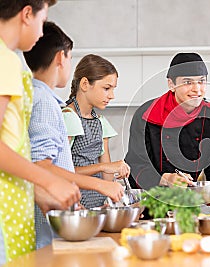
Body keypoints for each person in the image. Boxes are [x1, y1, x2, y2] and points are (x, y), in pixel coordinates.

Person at [23, 21, 125, 248]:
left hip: (58, 212)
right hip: (50, 224)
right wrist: (100, 185)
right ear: (61, 58)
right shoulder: (47, 104)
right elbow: (41, 166)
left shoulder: (36, 96)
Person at [0, 0, 81, 263]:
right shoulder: (5, 60)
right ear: (26, 14)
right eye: (41, 19)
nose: (40, 32)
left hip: (14, 202)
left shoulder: (11, 60)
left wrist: (36, 191)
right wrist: (48, 180)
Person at [125, 52, 210, 193]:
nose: (197, 89)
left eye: (201, 81)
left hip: (188, 201)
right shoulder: (147, 114)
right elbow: (136, 163)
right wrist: (165, 178)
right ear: (171, 84)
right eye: (188, 82)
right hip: (151, 200)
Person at [62, 54, 131, 209]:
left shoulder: (100, 122)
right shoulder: (68, 118)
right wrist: (103, 167)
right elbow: (61, 172)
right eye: (106, 88)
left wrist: (112, 200)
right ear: (85, 84)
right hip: (75, 205)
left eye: (113, 89)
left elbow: (106, 172)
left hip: (97, 206)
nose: (111, 96)